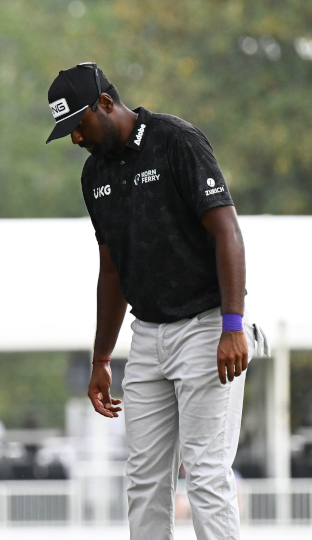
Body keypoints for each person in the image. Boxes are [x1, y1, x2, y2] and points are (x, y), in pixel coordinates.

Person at [46, 63, 255, 539]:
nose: (75, 138)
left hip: (206, 328)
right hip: (147, 337)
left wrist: (232, 324)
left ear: (104, 103)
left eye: (78, 125)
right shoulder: (93, 174)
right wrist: (101, 358)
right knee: (143, 480)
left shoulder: (176, 140)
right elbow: (112, 269)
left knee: (204, 475)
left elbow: (228, 233)